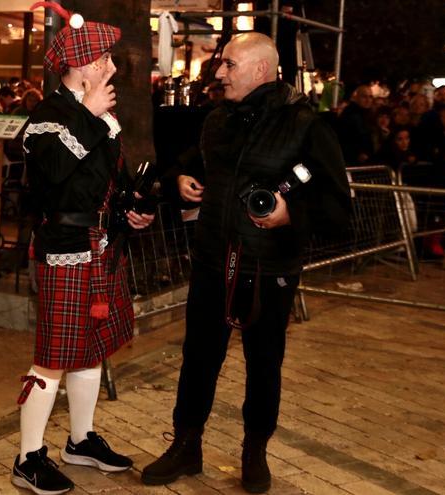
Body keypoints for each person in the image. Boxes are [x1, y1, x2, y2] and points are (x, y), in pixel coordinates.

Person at [142, 32, 351, 493]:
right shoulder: (218, 121)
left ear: (260, 69)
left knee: (264, 364)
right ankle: (185, 445)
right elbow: (190, 161)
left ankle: (255, 452)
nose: (219, 72)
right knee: (197, 359)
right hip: (213, 261)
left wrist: (289, 214)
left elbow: (339, 210)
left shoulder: (306, 125)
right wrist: (181, 178)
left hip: (269, 270)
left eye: (230, 65)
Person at [13, 3, 155, 494]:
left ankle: (80, 440)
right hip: (64, 248)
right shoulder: (46, 117)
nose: (113, 66)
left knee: (90, 351)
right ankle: (28, 457)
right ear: (86, 64)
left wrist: (131, 208)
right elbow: (50, 178)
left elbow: (106, 181)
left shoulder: (103, 118)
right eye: (106, 59)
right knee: (53, 356)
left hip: (101, 245)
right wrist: (90, 117)